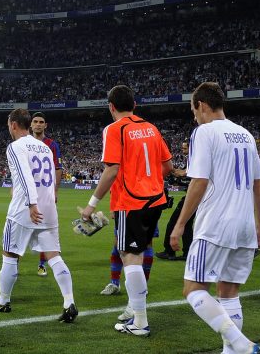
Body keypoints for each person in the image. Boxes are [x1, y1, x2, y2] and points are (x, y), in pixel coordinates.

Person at [170, 82, 260, 354]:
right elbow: (259, 184)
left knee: (193, 289)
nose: (194, 117)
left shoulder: (204, 132)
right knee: (229, 293)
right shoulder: (246, 135)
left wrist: (180, 224)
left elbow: (199, 181)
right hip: (244, 227)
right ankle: (233, 351)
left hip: (215, 225)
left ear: (201, 105)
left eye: (193, 111)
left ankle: (241, 343)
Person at [81, 85, 172, 337]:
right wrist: (148, 180)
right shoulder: (152, 128)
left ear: (111, 107)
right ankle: (134, 309)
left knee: (129, 256)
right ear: (135, 104)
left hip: (132, 201)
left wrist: (92, 204)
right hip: (156, 200)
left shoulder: (114, 129)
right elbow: (167, 166)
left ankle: (140, 321)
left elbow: (111, 169)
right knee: (139, 253)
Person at [0, 109, 77, 323]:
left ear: (14, 124)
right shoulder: (45, 147)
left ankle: (3, 301)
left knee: (9, 254)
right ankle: (69, 302)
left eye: (8, 124)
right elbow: (50, 179)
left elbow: (26, 176)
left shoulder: (15, 146)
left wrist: (31, 204)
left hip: (25, 210)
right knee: (54, 256)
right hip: (48, 209)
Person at [30, 112, 63, 277]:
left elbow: (58, 168)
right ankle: (13, 264)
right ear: (30, 124)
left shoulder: (52, 145)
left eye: (41, 122)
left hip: (45, 195)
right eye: (35, 121)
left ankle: (42, 264)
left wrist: (55, 190)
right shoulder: (25, 143)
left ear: (45, 125)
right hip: (27, 194)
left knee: (44, 230)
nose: (38, 124)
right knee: (20, 229)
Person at [156, 141, 195, 261]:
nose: (183, 151)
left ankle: (169, 251)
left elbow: (186, 173)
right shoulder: (193, 158)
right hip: (194, 197)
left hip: (192, 197)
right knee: (187, 225)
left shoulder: (194, 158)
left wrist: (175, 171)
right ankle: (187, 252)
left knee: (173, 222)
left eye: (185, 148)